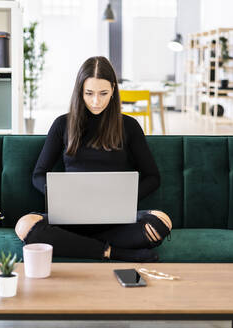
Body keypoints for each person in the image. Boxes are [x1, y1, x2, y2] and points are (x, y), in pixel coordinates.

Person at [14, 56, 172, 262]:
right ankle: (113, 252)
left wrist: (123, 199)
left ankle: (78, 245)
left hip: (116, 220)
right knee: (24, 225)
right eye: (89, 93)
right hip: (69, 219)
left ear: (113, 90)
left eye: (103, 93)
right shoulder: (63, 124)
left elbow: (153, 177)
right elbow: (38, 174)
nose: (96, 101)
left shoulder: (129, 126)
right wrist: (61, 196)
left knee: (162, 222)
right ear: (80, 91)